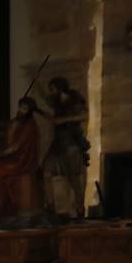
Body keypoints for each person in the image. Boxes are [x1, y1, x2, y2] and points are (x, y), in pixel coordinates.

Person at [0, 97, 46, 217]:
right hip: (13, 156)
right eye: (20, 107)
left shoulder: (29, 126)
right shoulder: (15, 122)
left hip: (23, 160)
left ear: (29, 111)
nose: (21, 110)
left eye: (24, 108)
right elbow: (8, 140)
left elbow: (16, 147)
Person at [43, 77, 89, 217]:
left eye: (52, 89)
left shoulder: (74, 101)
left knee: (74, 178)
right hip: (58, 143)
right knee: (47, 172)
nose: (51, 93)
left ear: (60, 88)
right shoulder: (57, 103)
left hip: (70, 143)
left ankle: (80, 207)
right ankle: (51, 206)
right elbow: (45, 100)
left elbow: (84, 116)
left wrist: (64, 120)